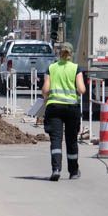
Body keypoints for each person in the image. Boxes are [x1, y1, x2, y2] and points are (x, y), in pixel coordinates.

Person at [41, 42, 87, 181]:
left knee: (56, 140)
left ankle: (56, 169)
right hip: (71, 108)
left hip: (54, 107)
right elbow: (81, 89)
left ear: (59, 53)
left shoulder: (51, 68)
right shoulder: (75, 68)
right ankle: (73, 171)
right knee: (71, 140)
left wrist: (47, 98)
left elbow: (45, 90)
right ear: (71, 54)